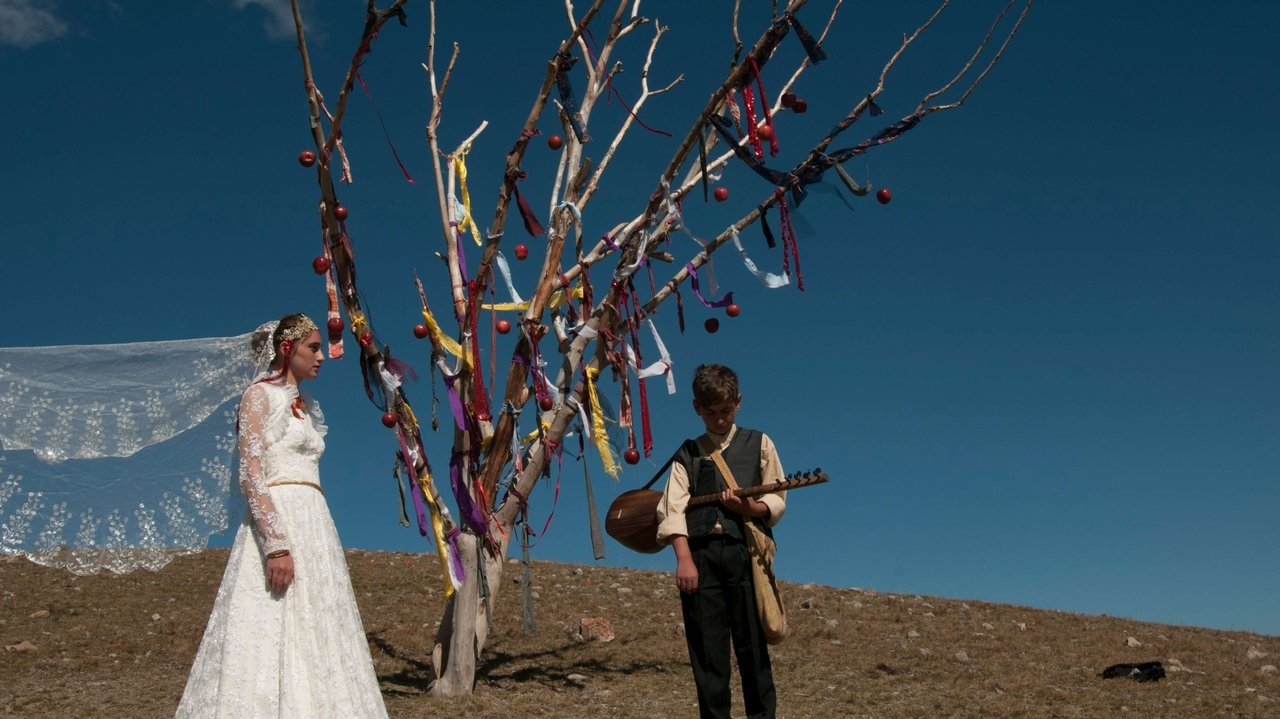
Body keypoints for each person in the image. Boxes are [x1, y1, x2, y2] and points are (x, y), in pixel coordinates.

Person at [176, 313, 388, 718]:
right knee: (272, 625)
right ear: (286, 349)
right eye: (313, 347)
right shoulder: (259, 396)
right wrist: (276, 544)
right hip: (281, 515)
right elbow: (251, 472)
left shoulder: (305, 407)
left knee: (320, 625)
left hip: (315, 522)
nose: (321, 356)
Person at [655, 363, 787, 719]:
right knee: (709, 657)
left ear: (738, 403)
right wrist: (684, 559)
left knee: (753, 652)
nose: (719, 420)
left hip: (745, 555)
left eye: (726, 411)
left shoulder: (759, 443)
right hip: (700, 558)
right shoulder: (687, 453)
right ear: (697, 408)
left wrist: (750, 506)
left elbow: (777, 496)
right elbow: (672, 509)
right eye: (711, 412)